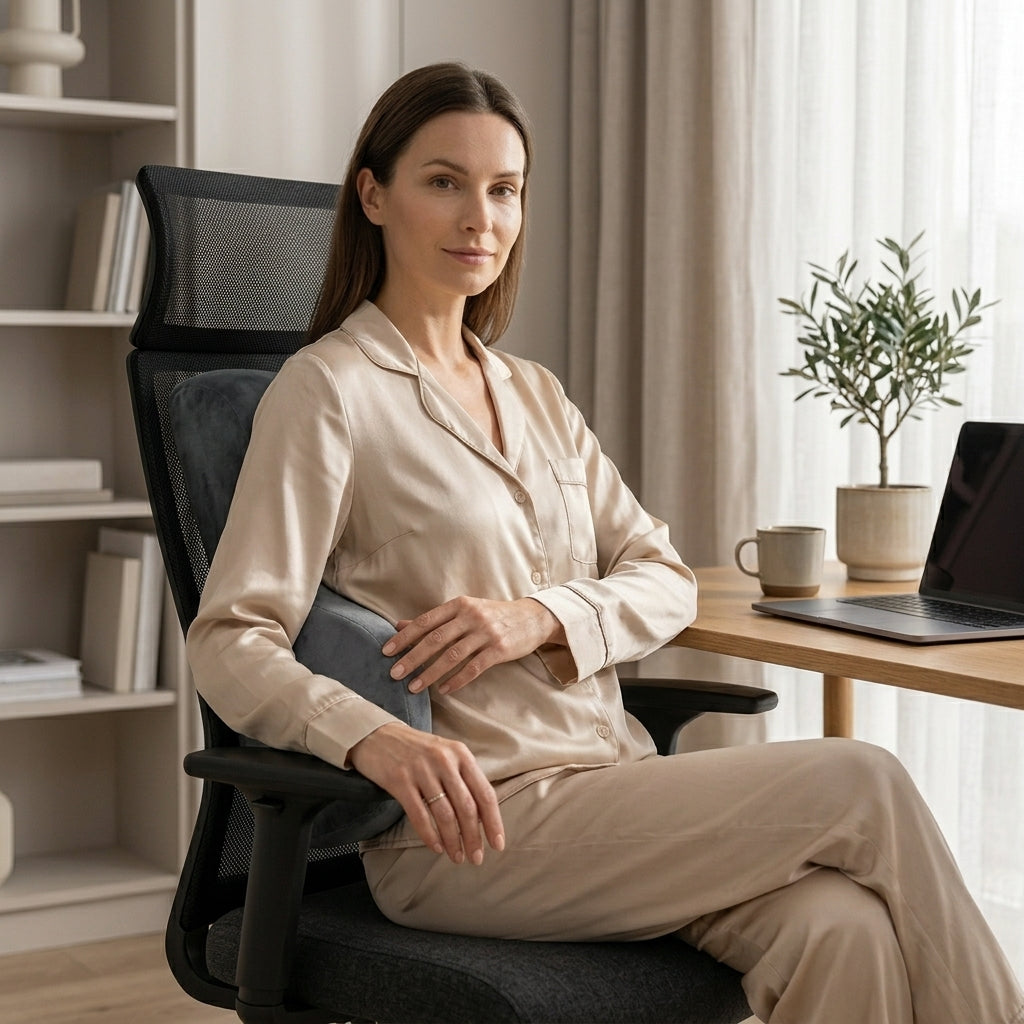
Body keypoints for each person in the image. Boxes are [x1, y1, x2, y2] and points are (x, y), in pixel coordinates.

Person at [186, 62, 1024, 1024]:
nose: (480, 218)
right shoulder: (327, 391)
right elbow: (231, 638)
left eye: (504, 189)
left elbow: (663, 577)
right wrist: (369, 736)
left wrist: (540, 617)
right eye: (445, 181)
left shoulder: (535, 394)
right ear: (374, 195)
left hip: (613, 793)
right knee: (861, 780)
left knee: (843, 927)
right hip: (470, 829)